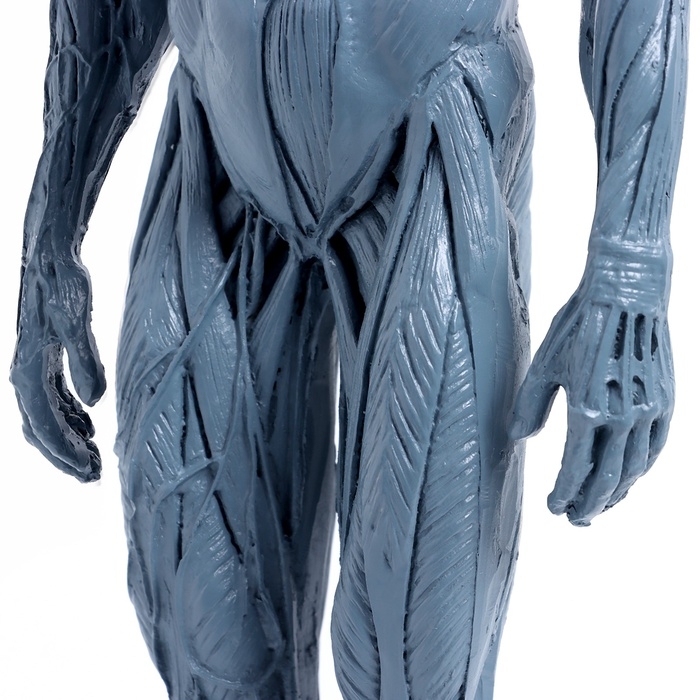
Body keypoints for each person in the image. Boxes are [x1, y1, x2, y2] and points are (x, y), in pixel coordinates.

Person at [10, 1, 687, 698]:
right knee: (202, 622)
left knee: (415, 653)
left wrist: (630, 265)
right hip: (218, 139)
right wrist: (52, 230)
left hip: (435, 133)